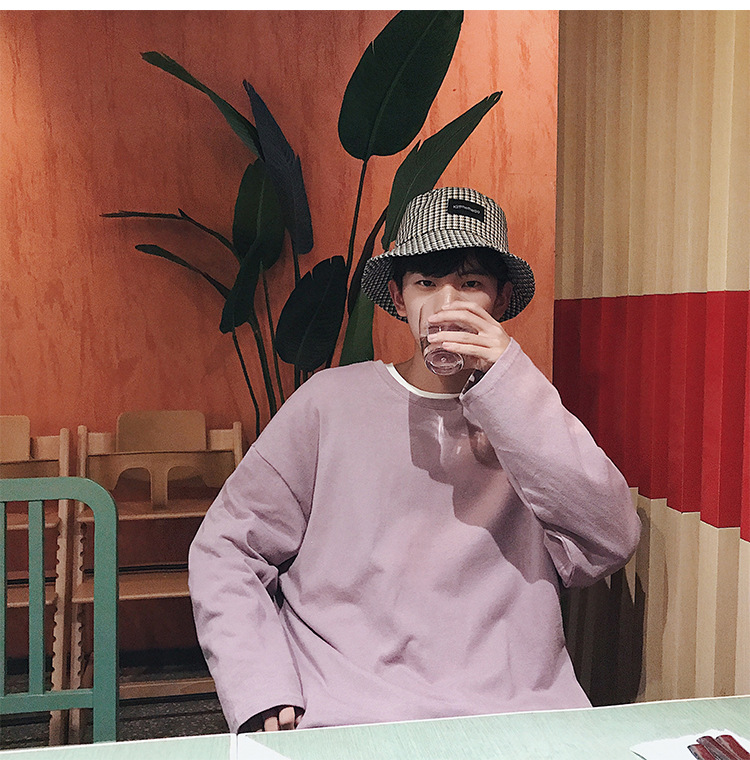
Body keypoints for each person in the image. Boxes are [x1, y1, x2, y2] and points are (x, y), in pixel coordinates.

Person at [188, 186, 641, 734]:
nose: (447, 302)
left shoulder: (529, 413)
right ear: (399, 299)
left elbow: (610, 540)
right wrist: (259, 684)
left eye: (469, 283)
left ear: (499, 301)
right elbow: (227, 547)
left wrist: (507, 384)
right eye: (426, 282)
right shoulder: (329, 402)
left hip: (512, 712)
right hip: (345, 713)